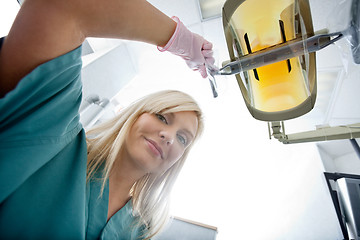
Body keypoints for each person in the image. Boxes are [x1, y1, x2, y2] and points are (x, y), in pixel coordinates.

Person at [0, 0, 213, 239]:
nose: (169, 136)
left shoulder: (138, 231)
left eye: (183, 139)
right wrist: (182, 41)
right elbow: (63, 6)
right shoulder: (58, 137)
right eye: (162, 117)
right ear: (134, 116)